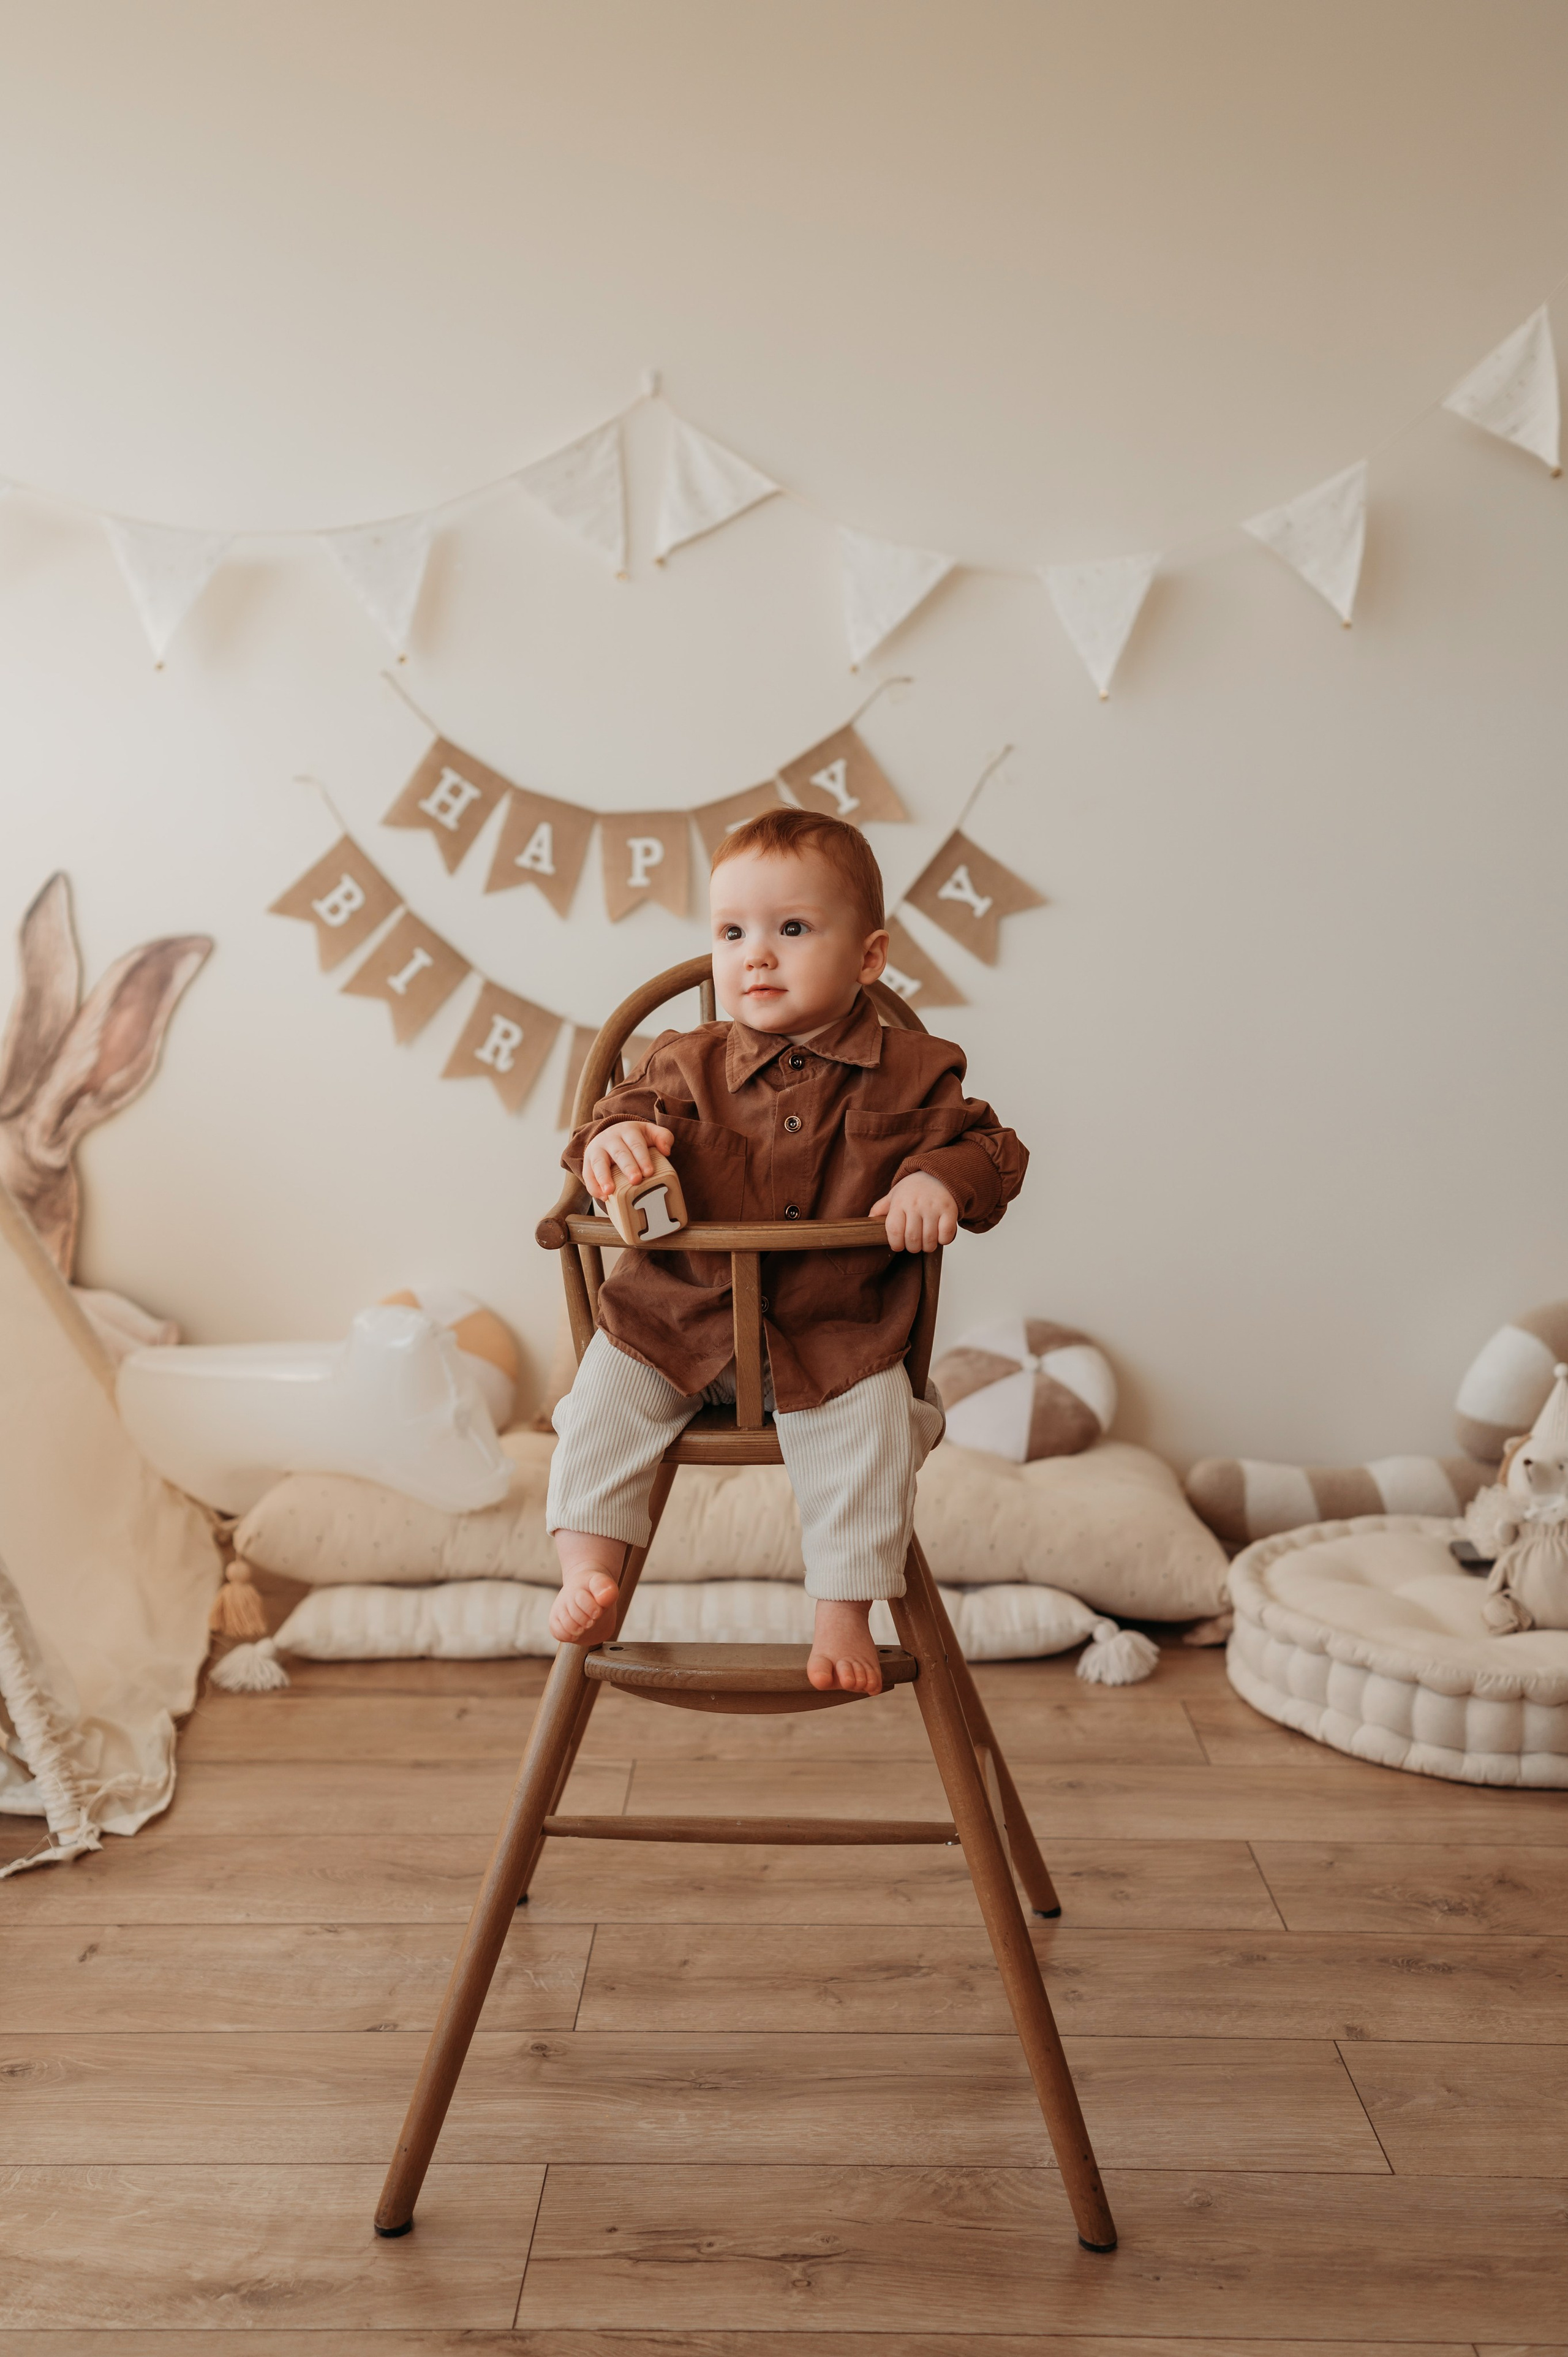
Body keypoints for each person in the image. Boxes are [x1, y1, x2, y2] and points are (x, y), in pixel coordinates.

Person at [546, 805, 1027, 1694]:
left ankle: (843, 1610)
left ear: (869, 957)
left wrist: (938, 1181)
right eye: (733, 932)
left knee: (875, 1432)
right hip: (673, 1326)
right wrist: (612, 1146)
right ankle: (587, 1568)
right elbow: (611, 1123)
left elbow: (989, 1149)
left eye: (792, 928)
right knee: (596, 1411)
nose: (755, 954)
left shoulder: (917, 1069)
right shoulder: (681, 1062)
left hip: (833, 1338)